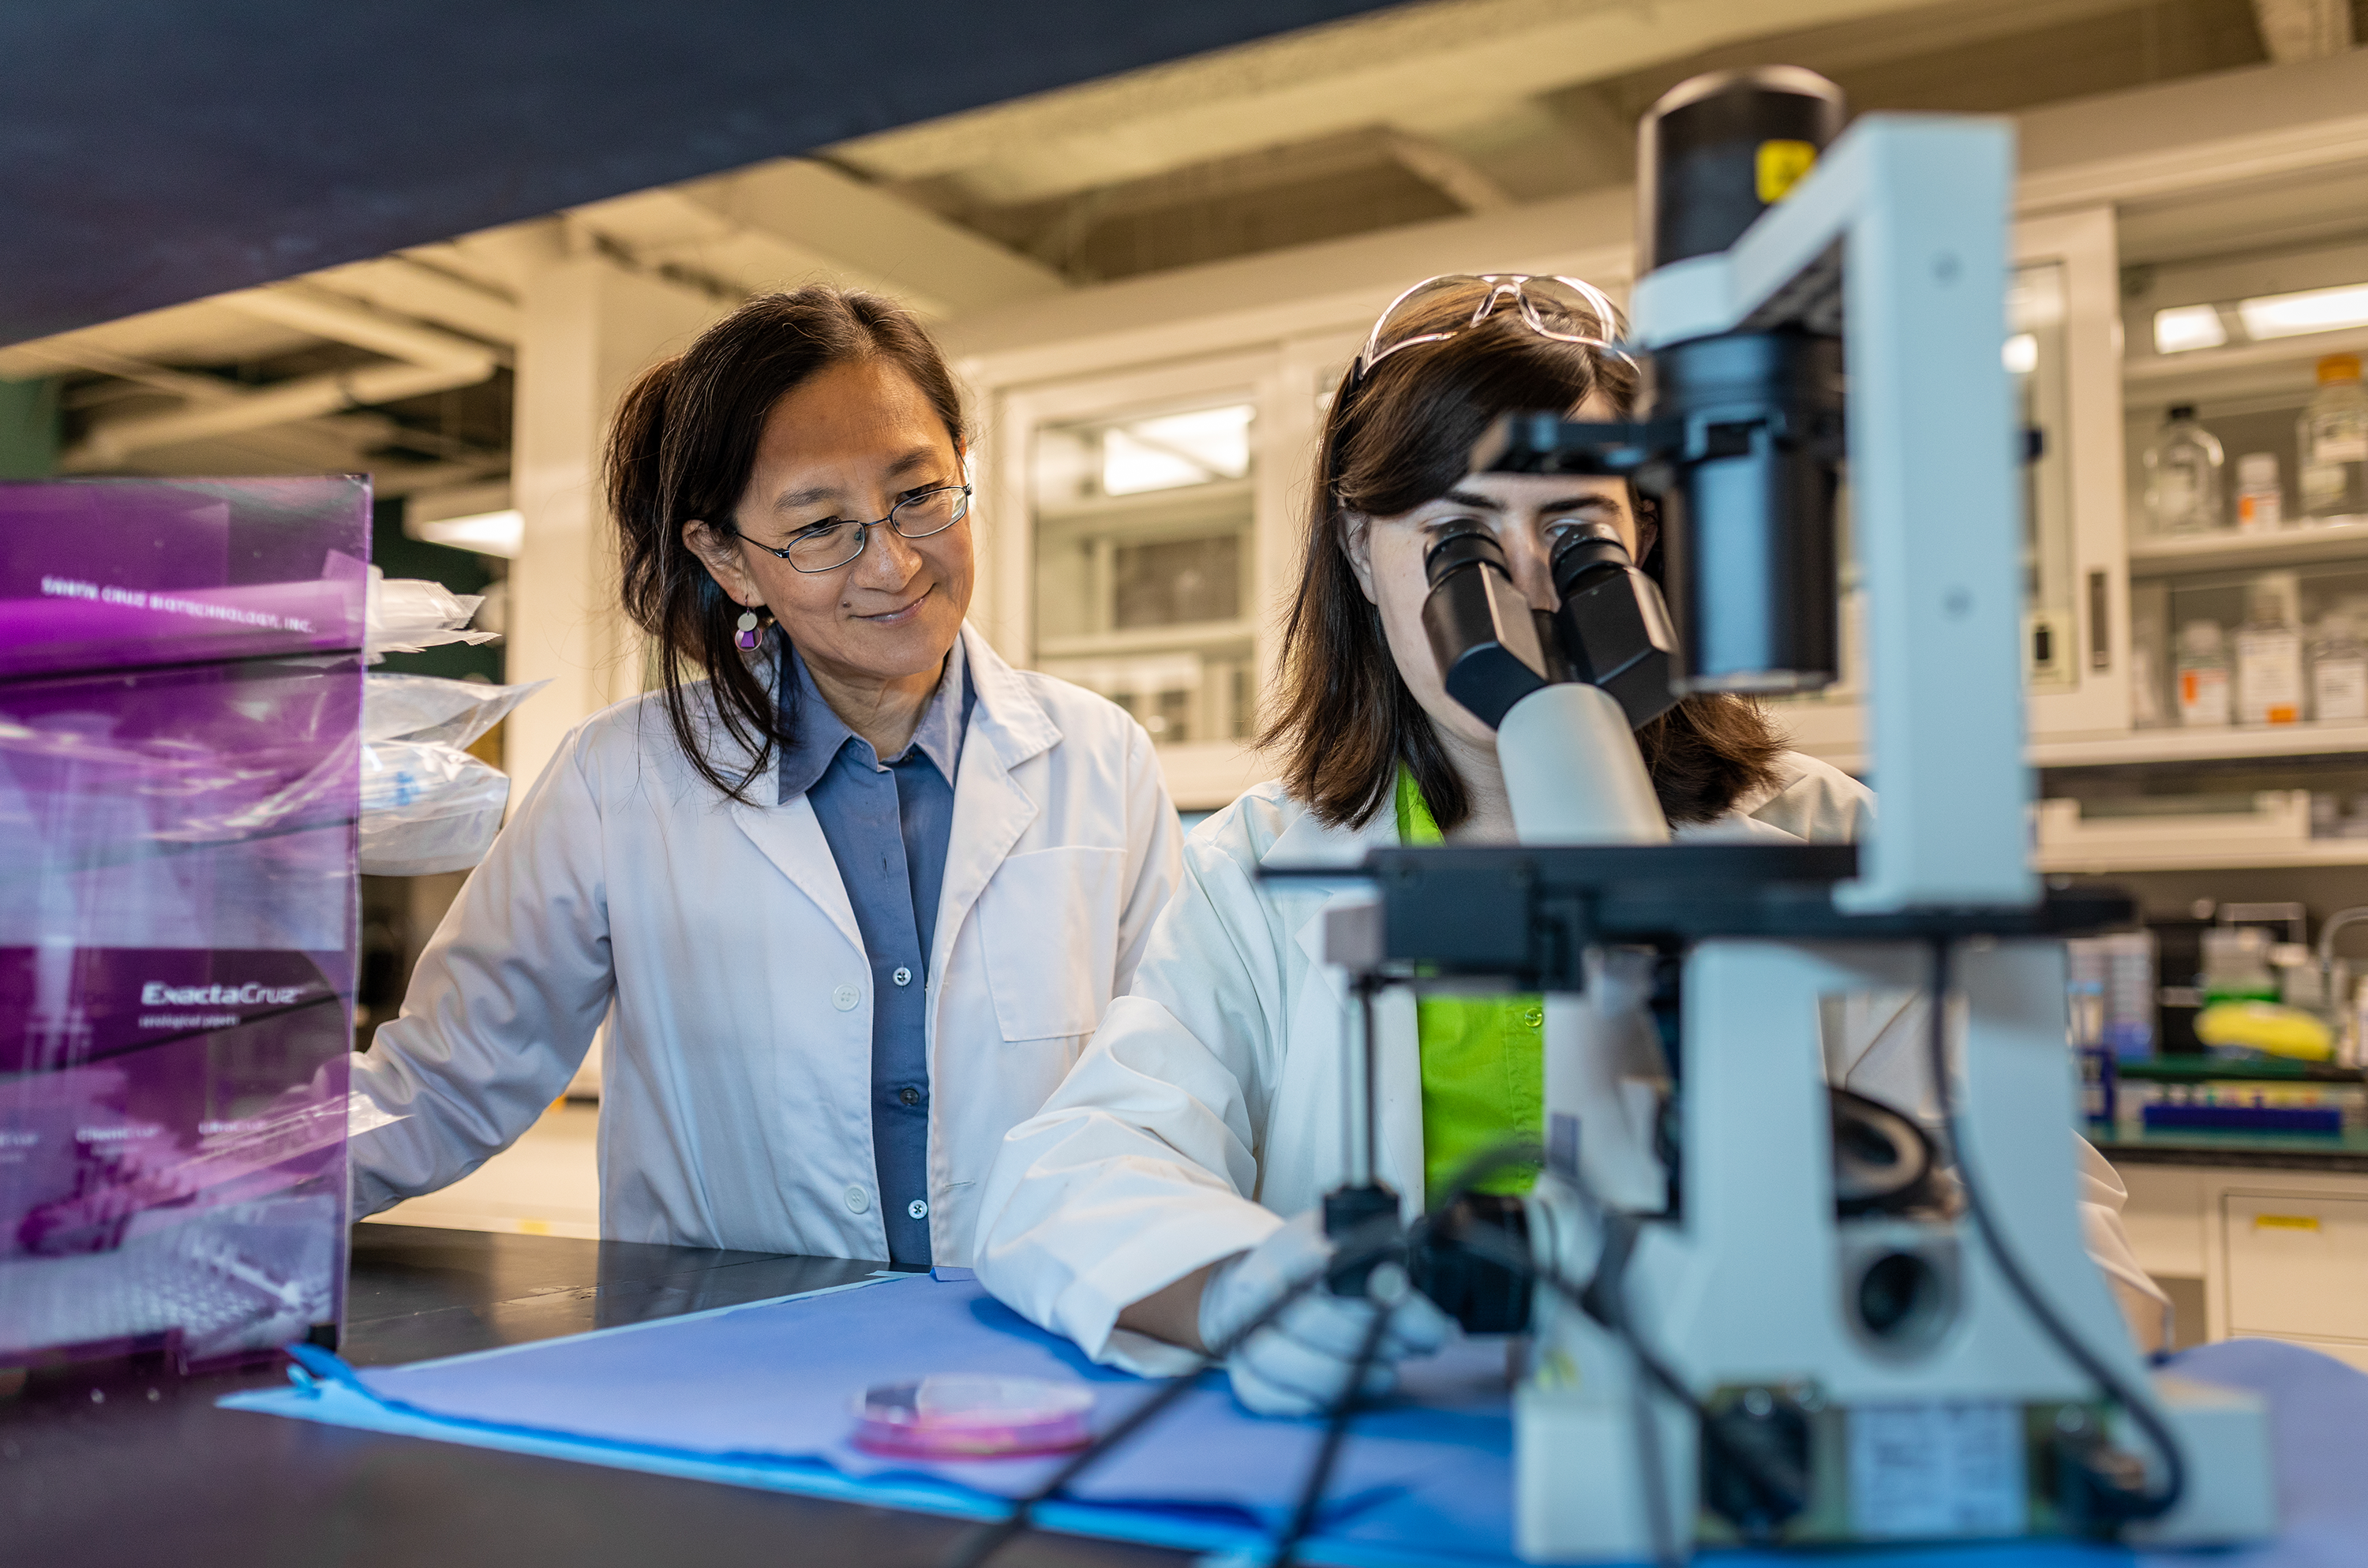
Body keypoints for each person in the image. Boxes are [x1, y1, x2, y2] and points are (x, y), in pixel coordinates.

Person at [971, 274, 2165, 1414]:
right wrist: (1244, 1286)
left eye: (1576, 530)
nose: (1526, 591)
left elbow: (2064, 1247)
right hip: (1398, 1468)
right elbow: (1074, 1169)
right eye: (1461, 540)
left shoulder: (1827, 839)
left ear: (1643, 541)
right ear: (1360, 553)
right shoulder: (1260, 867)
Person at [349, 286, 1181, 1269]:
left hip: (1026, 1360)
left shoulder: (1099, 758)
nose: (892, 562)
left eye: (919, 494)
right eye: (821, 526)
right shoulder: (619, 782)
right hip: (721, 1355)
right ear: (730, 559)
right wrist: (183, 1189)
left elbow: (1169, 1086)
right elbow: (442, 1083)